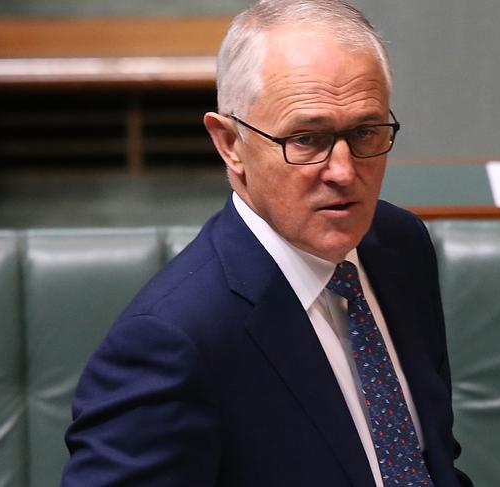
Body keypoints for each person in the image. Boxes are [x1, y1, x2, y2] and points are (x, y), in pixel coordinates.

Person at [60, 1, 472, 486]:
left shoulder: (399, 246)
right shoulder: (173, 340)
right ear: (230, 144)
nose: (343, 171)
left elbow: (430, 460)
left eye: (365, 131)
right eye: (305, 139)